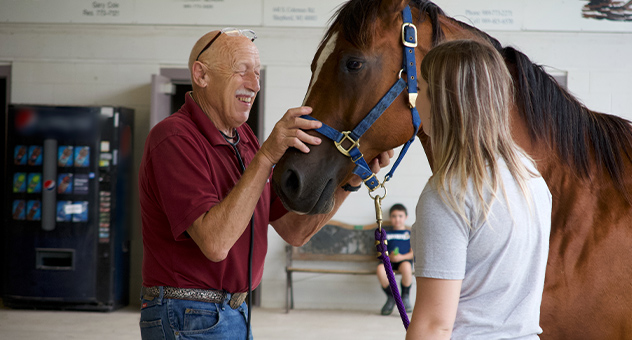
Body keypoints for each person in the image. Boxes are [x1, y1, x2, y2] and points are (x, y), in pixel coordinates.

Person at [138, 28, 392, 339]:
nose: (255, 85)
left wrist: (351, 180)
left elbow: (294, 230)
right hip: (188, 314)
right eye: (242, 70)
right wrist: (267, 155)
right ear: (201, 75)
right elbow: (215, 243)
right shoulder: (174, 138)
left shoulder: (244, 140)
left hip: (232, 312)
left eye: (257, 74)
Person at [406, 40, 552, 339]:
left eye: (419, 88)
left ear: (443, 101)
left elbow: (435, 324)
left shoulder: (448, 193)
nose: (413, 100)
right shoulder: (530, 174)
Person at [377, 203, 413, 315]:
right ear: (390, 218)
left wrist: (401, 257)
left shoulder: (410, 233)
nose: (397, 219)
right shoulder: (385, 234)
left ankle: (405, 296)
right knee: (380, 269)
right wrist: (389, 257)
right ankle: (391, 297)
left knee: (407, 267)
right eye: (394, 216)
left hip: (404, 261)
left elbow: (413, 253)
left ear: (406, 217)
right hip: (389, 261)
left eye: (400, 216)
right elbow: (381, 251)